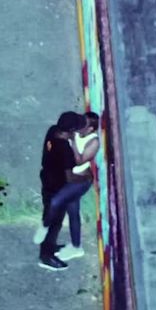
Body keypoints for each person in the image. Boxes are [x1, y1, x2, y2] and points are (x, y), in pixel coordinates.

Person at [36, 111, 99, 270]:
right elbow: (71, 176)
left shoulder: (52, 131)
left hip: (50, 179)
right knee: (55, 214)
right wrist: (86, 179)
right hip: (59, 183)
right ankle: (46, 256)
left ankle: (68, 247)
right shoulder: (64, 147)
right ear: (70, 131)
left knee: (71, 210)